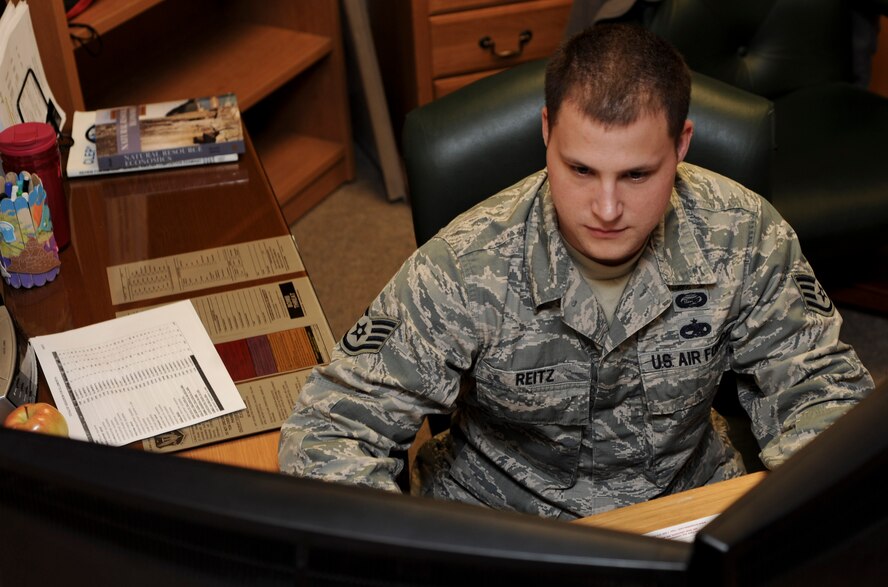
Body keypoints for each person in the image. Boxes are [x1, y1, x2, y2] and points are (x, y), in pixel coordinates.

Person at [279, 24, 873, 520]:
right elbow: (329, 430)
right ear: (545, 133)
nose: (607, 209)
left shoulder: (744, 236)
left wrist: (810, 530)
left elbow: (821, 391)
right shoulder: (465, 264)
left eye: (637, 174)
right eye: (581, 170)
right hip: (499, 520)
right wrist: (402, 551)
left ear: (682, 145)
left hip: (683, 506)